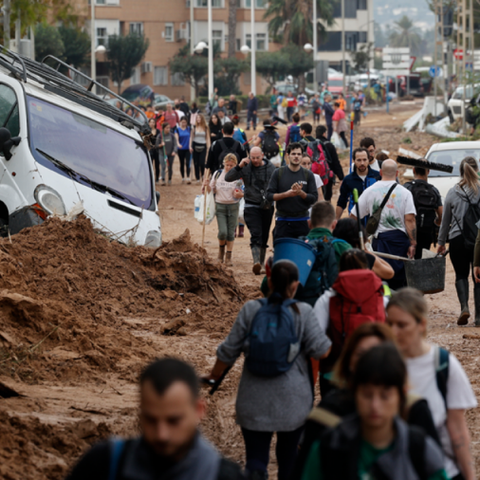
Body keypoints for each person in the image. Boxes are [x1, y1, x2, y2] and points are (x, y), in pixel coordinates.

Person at [205, 260, 332, 480]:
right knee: (288, 458)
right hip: (293, 402)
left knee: (255, 458)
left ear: (269, 281)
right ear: (295, 286)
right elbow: (322, 352)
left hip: (253, 400)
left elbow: (227, 352)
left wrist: (214, 377)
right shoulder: (302, 312)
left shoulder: (251, 310)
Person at [66, 358, 244, 480]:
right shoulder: (101, 465)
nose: (162, 435)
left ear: (199, 410)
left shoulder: (225, 476)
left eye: (173, 421)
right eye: (151, 420)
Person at [300, 343, 449, 480]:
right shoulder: (328, 449)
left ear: (402, 396)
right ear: (353, 393)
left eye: (385, 396)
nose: (375, 405)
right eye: (367, 395)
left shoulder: (420, 450)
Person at [387, 288, 478, 480]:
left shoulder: (442, 364)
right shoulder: (380, 364)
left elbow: (457, 430)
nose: (394, 331)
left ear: (422, 324)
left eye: (402, 325)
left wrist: (469, 475)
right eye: (390, 324)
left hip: (441, 472)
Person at [313, 249, 387, 393]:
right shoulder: (381, 298)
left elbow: (317, 344)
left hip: (334, 374)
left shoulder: (327, 299)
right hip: (374, 372)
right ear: (366, 268)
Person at [352, 159, 417, 290]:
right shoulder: (405, 193)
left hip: (379, 243)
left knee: (381, 278)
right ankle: (398, 305)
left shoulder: (370, 191)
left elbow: (353, 216)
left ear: (381, 172)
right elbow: (409, 220)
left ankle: (383, 305)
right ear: (397, 173)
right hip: (399, 243)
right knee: (399, 280)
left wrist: (361, 239)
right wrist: (413, 243)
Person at [438, 156, 480, 326]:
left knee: (461, 274)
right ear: (476, 170)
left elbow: (445, 220)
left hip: (457, 239)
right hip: (478, 240)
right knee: (478, 276)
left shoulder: (452, 192)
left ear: (461, 171)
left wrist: (441, 242)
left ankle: (464, 307)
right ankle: (479, 317)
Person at [226, 146, 276, 275]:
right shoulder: (245, 167)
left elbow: (277, 184)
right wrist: (239, 166)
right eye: (252, 157)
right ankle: (256, 262)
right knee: (256, 233)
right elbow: (228, 178)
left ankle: (261, 262)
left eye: (257, 157)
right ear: (249, 156)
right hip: (251, 205)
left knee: (264, 235)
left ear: (262, 155)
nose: (255, 160)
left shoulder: (271, 167)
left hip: (267, 206)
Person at [295, 201, 350, 307]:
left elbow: (266, 285)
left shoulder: (297, 246)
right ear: (334, 225)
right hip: (333, 307)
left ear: (309, 223)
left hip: (301, 308)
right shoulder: (342, 247)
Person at [266, 142, 319, 240]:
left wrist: (301, 193)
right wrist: (286, 194)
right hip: (283, 221)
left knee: (302, 253)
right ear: (288, 155)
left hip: (303, 221)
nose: (296, 156)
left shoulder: (308, 175)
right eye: (293, 154)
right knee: (283, 253)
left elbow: (314, 198)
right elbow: (269, 196)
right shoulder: (278, 173)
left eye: (299, 154)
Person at [205, 153, 244, 266]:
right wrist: (207, 185)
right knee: (222, 232)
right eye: (227, 165)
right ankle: (221, 251)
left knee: (231, 233)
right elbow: (211, 190)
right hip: (220, 206)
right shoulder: (218, 174)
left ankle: (228, 256)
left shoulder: (239, 176)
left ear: (236, 165)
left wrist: (239, 194)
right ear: (223, 164)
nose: (228, 167)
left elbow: (243, 192)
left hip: (233, 206)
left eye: (231, 165)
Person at [404, 164, 443, 259]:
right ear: (428, 171)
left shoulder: (407, 188)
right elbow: (442, 214)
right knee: (422, 260)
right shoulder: (433, 190)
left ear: (413, 170)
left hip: (409, 232)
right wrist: (436, 222)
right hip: (426, 232)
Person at [336, 147, 380, 219]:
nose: (362, 163)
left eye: (364, 160)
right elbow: (341, 202)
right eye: (359, 160)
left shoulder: (378, 177)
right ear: (354, 161)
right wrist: (336, 221)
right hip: (355, 222)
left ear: (368, 160)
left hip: (374, 222)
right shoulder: (348, 180)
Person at [315, 125, 345, 202]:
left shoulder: (312, 145)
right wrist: (341, 177)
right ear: (324, 133)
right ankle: (327, 211)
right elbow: (335, 162)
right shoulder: (329, 145)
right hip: (327, 175)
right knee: (327, 196)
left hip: (315, 175)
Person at [189, 113, 209, 184]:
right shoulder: (194, 127)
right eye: (197, 118)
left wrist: (209, 147)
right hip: (195, 145)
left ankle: (203, 175)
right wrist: (190, 146)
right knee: (196, 163)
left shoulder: (206, 127)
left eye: (199, 118)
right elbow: (191, 137)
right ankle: (197, 178)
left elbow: (207, 138)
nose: (198, 119)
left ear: (202, 119)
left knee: (202, 162)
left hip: (203, 145)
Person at [175, 117, 192, 184]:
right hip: (181, 148)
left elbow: (190, 137)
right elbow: (176, 138)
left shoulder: (189, 129)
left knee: (188, 163)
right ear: (180, 122)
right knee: (182, 163)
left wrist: (190, 146)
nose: (184, 123)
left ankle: (188, 177)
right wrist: (178, 144)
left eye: (185, 122)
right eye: (182, 122)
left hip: (187, 148)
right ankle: (183, 177)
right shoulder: (177, 129)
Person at [148, 118, 160, 184]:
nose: (152, 124)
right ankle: (151, 179)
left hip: (157, 150)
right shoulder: (147, 131)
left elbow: (160, 139)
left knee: (157, 165)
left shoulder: (158, 131)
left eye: (153, 122)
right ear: (149, 123)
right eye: (151, 122)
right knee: (151, 165)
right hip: (150, 150)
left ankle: (157, 179)